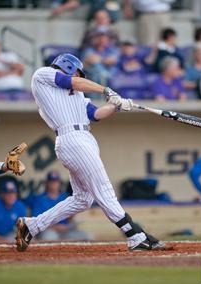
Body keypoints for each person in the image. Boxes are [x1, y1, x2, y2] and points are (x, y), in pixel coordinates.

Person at [15, 53, 166, 252]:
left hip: (84, 139)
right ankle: (135, 235)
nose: (79, 76)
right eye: (78, 72)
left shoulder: (77, 95)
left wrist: (116, 104)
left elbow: (95, 115)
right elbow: (73, 81)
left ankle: (32, 225)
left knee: (83, 199)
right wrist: (106, 90)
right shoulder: (43, 75)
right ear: (68, 67)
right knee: (103, 189)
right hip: (72, 139)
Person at [32, 171, 92, 241]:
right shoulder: (40, 199)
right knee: (51, 237)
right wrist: (56, 227)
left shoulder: (65, 197)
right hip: (49, 230)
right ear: (47, 183)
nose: (54, 184)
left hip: (65, 230)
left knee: (87, 236)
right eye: (51, 182)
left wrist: (72, 218)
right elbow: (37, 222)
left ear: (60, 183)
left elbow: (70, 218)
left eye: (56, 181)